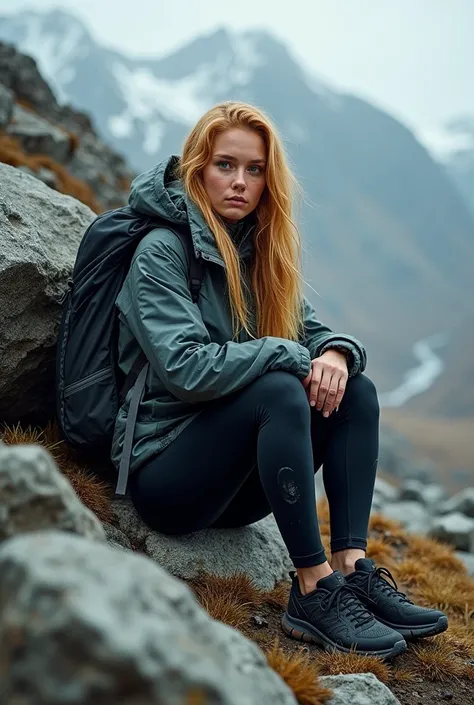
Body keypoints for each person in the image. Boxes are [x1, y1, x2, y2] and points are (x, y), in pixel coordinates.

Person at [111, 101, 447, 658]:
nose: (240, 182)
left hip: (237, 488)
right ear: (197, 167)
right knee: (278, 387)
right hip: (166, 478)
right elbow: (187, 368)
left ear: (271, 178)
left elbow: (310, 333)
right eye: (225, 165)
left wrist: (337, 353)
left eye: (255, 169)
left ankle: (350, 568)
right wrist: (287, 355)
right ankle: (312, 590)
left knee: (353, 390)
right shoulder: (161, 251)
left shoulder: (255, 249)